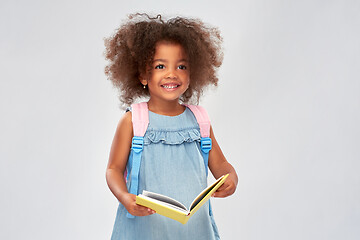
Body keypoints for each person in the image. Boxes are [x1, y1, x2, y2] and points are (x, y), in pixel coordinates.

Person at [104, 13, 238, 240]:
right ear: (143, 75)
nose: (171, 74)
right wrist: (124, 197)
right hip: (145, 229)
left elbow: (221, 165)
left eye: (182, 66)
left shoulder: (199, 120)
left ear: (192, 72)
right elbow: (113, 170)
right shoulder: (133, 121)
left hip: (195, 230)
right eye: (160, 66)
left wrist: (231, 178)